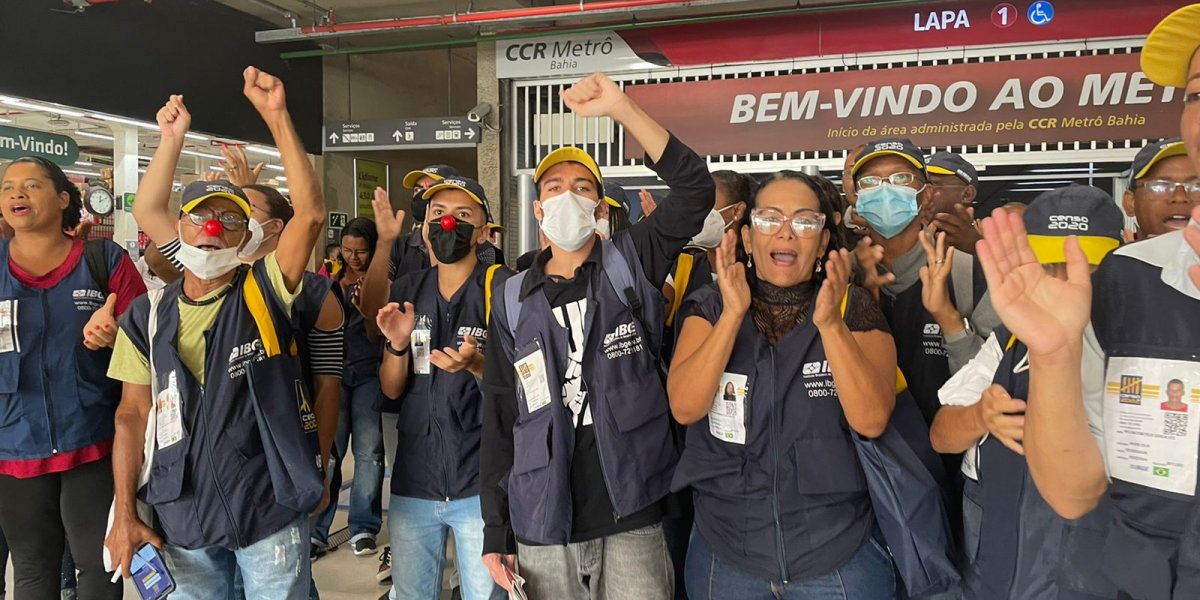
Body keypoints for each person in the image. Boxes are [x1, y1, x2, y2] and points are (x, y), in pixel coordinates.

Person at [480, 71, 715, 598]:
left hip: (632, 509)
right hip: (541, 518)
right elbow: (500, 414)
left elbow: (696, 189)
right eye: (554, 188)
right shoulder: (511, 298)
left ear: (601, 208)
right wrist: (497, 527)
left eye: (582, 187)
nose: (568, 197)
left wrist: (623, 110)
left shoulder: (632, 263)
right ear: (538, 210)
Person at [105, 67, 327, 599]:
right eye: (201, 218)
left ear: (249, 236)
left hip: (267, 507)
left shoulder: (266, 290)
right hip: (181, 514)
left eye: (231, 220)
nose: (214, 229)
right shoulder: (148, 316)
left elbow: (312, 214)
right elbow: (132, 414)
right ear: (176, 233)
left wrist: (277, 117)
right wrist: (125, 511)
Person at [668, 171, 897, 598]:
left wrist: (829, 325)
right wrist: (733, 315)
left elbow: (872, 419)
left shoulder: (852, 309)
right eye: (770, 218)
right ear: (750, 238)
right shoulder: (710, 308)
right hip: (727, 555)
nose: (787, 232)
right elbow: (685, 406)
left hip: (836, 558)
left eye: (805, 221)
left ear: (824, 241)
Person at [929, 186, 1123, 599]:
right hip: (1001, 564)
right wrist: (982, 415)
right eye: (1048, 262)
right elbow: (942, 434)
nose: (1065, 277)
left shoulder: (1143, 345)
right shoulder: (1009, 341)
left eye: (1088, 262)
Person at [0, 155, 146, 600]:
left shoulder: (103, 261)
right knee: (32, 571)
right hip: (14, 448)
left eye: (31, 185)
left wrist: (118, 335)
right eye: (7, 188)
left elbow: (148, 345)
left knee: (101, 571)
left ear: (64, 198)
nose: (16, 194)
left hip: (94, 442)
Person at [372, 176, 505, 600]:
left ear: (483, 230)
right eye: (438, 214)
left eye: (463, 215)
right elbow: (391, 390)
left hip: (480, 480)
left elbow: (520, 387)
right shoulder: (410, 290)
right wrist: (396, 344)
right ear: (425, 227)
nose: (449, 223)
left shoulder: (502, 288)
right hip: (417, 478)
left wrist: (479, 367)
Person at [312, 217, 385, 558]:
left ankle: (363, 527)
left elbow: (377, 334)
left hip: (369, 372)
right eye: (348, 250)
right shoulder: (328, 278)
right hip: (332, 374)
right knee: (329, 451)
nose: (354, 258)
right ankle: (317, 527)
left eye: (362, 251)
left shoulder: (381, 281)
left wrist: (367, 308)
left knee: (369, 452)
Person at [1124, 138, 1200, 241]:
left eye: (1197, 186)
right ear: (1130, 203)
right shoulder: (1110, 257)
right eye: (1160, 186)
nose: (1180, 197)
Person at [924, 152, 981, 255]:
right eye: (921, 184)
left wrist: (976, 249)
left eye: (933, 184)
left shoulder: (991, 246)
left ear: (967, 194)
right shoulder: (904, 233)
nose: (924, 191)